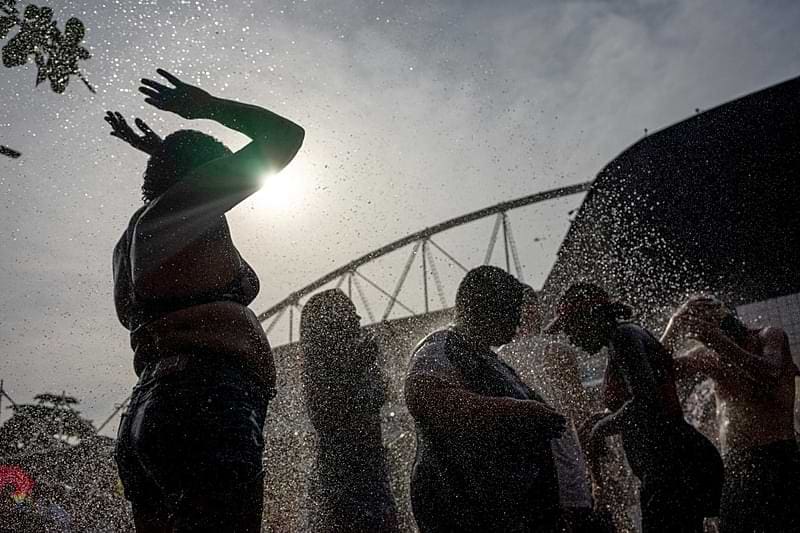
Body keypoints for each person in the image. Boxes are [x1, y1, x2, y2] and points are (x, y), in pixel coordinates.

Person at [110, 69, 304, 532]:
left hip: (149, 415)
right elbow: (285, 136)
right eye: (217, 168)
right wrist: (206, 106)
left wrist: (162, 152)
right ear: (200, 175)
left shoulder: (136, 236)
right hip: (204, 406)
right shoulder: (182, 208)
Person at [547, 283, 722, 533]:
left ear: (592, 317)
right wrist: (604, 417)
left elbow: (647, 402)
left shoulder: (624, 338)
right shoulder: (625, 337)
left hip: (673, 469)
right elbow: (643, 403)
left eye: (571, 328)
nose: (570, 338)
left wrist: (599, 428)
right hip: (671, 467)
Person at [405, 266, 567, 533]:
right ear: (487, 307)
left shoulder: (489, 359)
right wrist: (518, 411)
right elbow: (424, 395)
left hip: (504, 514)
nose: (517, 322)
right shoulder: (443, 345)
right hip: (463, 513)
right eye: (513, 309)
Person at [662, 295, 800, 533]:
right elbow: (656, 372)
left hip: (778, 457)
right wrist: (673, 326)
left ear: (726, 318)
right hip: (735, 463)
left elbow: (771, 372)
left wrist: (718, 343)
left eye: (709, 323)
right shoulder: (708, 356)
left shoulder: (768, 336)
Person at [497, 286, 601, 532]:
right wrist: (598, 473)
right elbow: (581, 416)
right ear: (534, 312)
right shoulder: (556, 351)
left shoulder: (496, 359)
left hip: (523, 471)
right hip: (563, 462)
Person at [300, 289, 400, 533]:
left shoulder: (358, 363)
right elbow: (329, 418)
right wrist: (355, 368)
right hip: (342, 482)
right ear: (330, 325)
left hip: (372, 474)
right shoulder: (320, 374)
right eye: (349, 314)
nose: (358, 320)